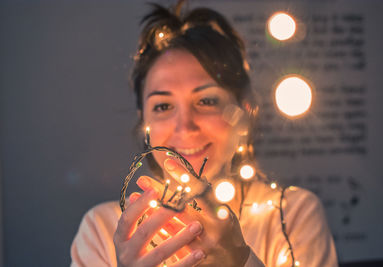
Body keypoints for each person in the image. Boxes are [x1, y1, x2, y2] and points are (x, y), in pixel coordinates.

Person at [71, 1, 338, 266]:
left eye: (207, 101)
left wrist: (238, 261)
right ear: (144, 122)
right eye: (163, 106)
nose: (184, 126)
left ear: (244, 113)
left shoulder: (290, 214)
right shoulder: (104, 230)